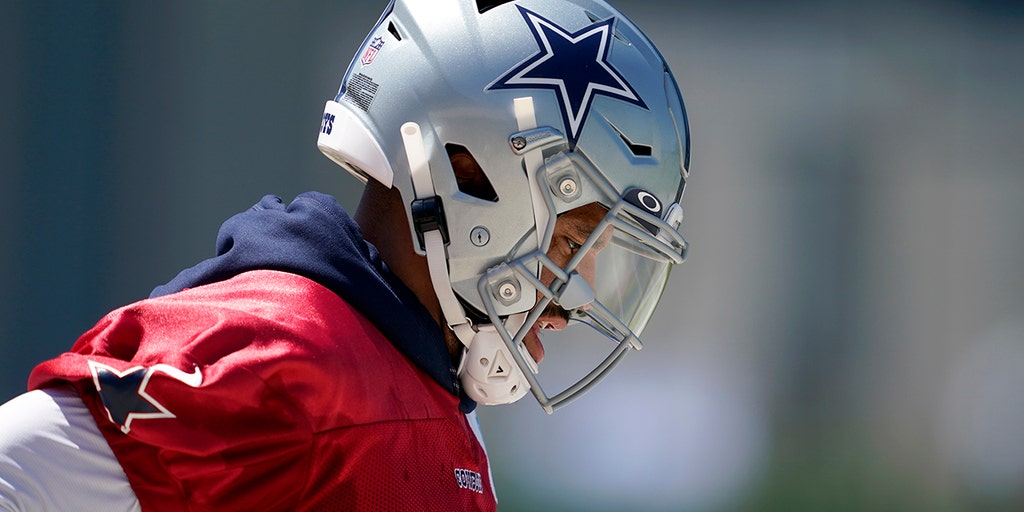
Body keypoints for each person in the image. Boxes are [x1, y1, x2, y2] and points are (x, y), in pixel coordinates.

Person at [0, 0, 690, 509]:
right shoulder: (288, 359)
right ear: (468, 172)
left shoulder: (428, 388)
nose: (574, 298)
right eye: (573, 241)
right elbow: (18, 468)